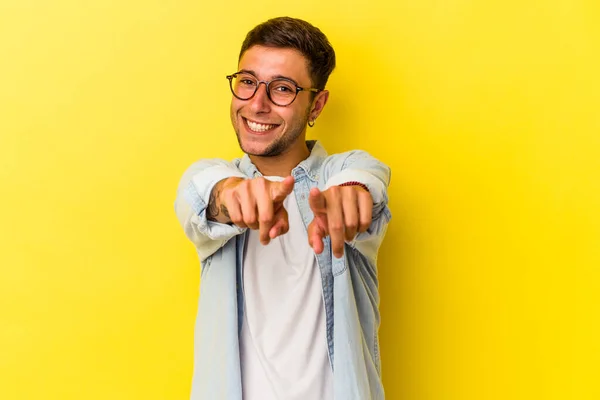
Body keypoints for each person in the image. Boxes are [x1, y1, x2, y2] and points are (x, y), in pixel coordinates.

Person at [174, 16, 391, 400]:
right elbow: (207, 196)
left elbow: (365, 179)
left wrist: (350, 197)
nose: (257, 104)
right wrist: (232, 198)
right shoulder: (212, 176)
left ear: (316, 105)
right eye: (247, 82)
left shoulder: (342, 173)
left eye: (282, 89)